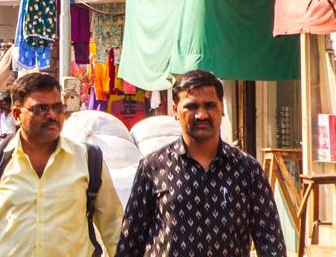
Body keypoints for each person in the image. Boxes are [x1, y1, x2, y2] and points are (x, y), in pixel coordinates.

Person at [0, 72, 122, 257]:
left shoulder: (88, 161)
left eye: (57, 107)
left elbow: (114, 229)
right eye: (40, 109)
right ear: (17, 114)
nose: (52, 115)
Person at [114, 70, 284, 257]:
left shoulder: (247, 170)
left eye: (210, 105)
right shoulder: (153, 167)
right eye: (192, 106)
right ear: (176, 110)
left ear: (222, 109)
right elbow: (130, 244)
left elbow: (271, 243)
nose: (201, 115)